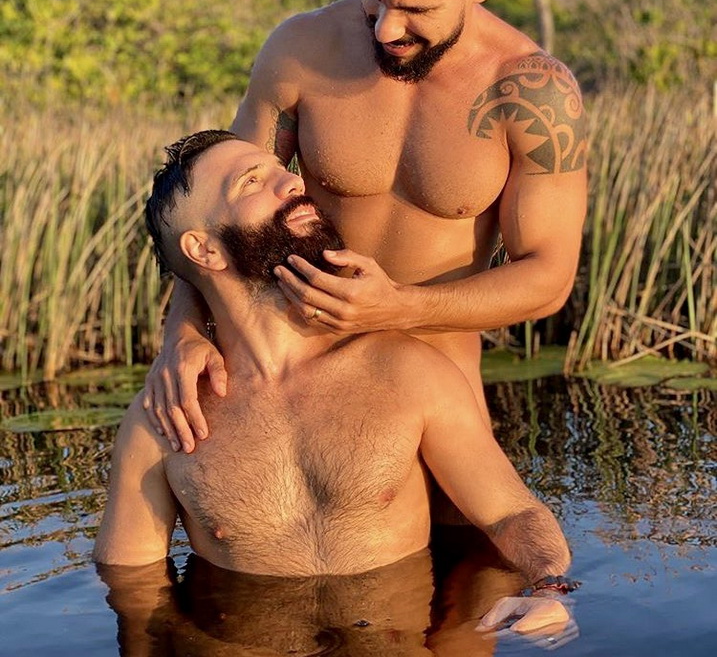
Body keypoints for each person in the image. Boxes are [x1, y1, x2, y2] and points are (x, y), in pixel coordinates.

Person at [143, 0, 587, 461]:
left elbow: (549, 279)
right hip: (295, 400)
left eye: (416, 9)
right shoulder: (301, 50)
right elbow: (216, 216)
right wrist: (184, 334)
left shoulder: (532, 93)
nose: (385, 28)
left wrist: (400, 308)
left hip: (439, 413)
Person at [94, 131, 574, 637]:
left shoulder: (407, 373)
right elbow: (131, 589)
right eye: (251, 182)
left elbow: (512, 514)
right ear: (204, 249)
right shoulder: (166, 415)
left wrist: (551, 591)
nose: (293, 183)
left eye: (281, 171)